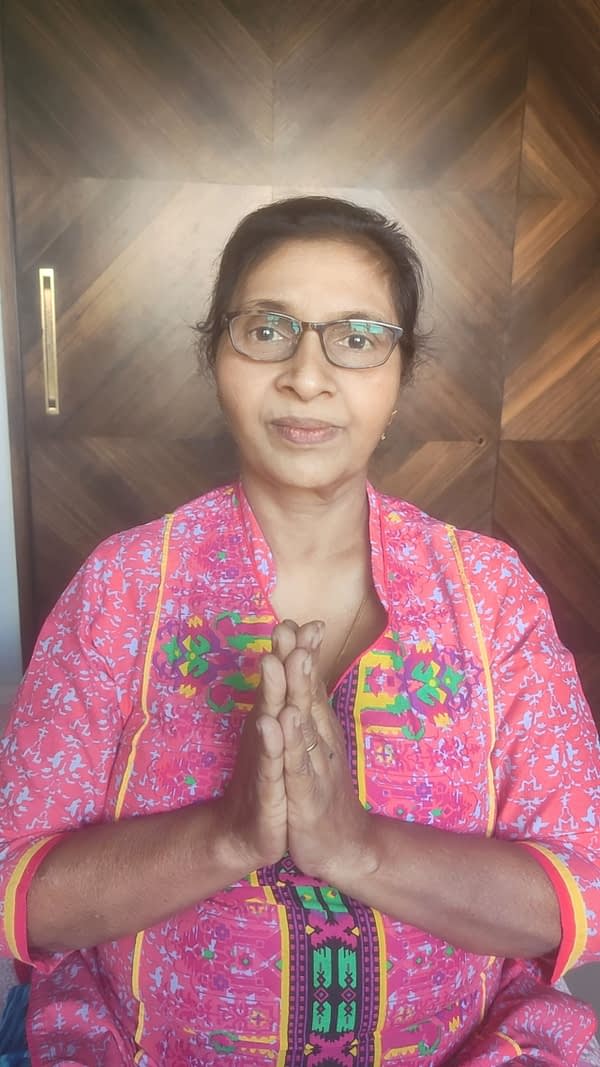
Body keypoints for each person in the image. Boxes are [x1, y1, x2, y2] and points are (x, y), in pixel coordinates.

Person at [0, 196, 599, 1067]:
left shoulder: (492, 594)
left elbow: (575, 891)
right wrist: (229, 833)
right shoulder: (123, 586)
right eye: (267, 329)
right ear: (215, 355)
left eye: (356, 337)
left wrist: (358, 848)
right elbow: (21, 893)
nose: (307, 375)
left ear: (400, 376)